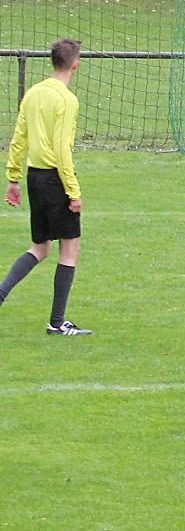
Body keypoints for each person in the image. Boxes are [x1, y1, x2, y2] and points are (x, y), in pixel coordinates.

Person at [3, 38, 91, 334]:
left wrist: (13, 178)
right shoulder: (67, 100)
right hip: (55, 180)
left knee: (40, 248)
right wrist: (74, 192)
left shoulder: (33, 93)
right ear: (75, 65)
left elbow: (19, 138)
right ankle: (57, 322)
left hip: (34, 177)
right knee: (70, 248)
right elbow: (62, 149)